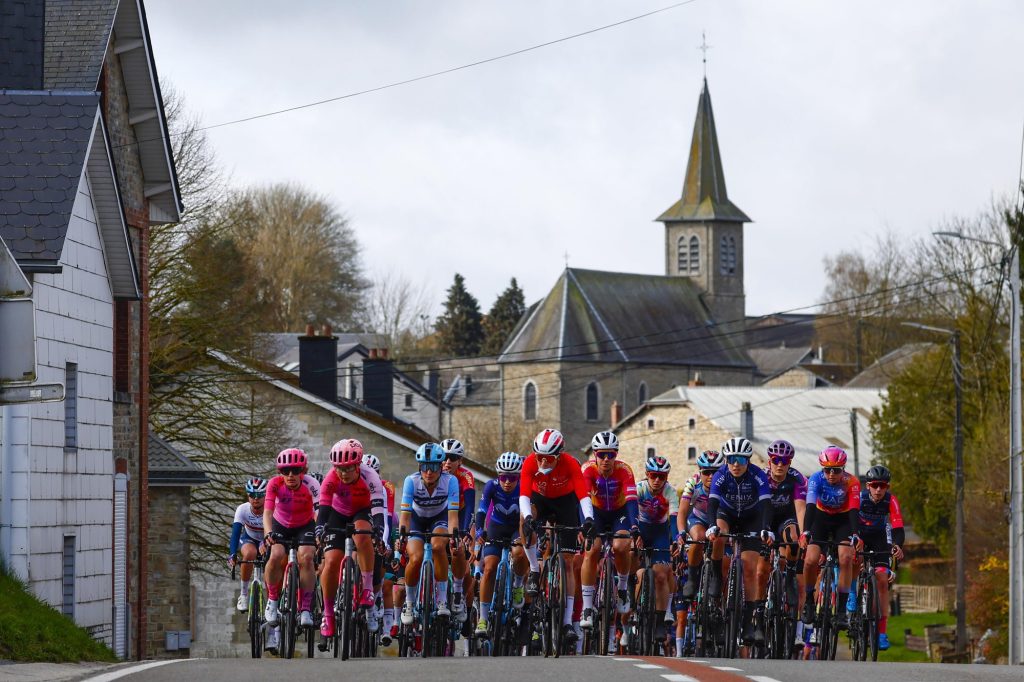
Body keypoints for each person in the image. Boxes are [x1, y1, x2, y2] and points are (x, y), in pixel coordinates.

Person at [519, 428, 594, 646]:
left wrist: (588, 519)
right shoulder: (531, 463)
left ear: (559, 455)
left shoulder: (571, 463)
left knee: (568, 563)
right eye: (539, 457)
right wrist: (527, 519)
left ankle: (567, 621)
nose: (542, 462)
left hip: (565, 504)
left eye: (548, 458)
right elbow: (523, 495)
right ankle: (534, 569)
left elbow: (582, 495)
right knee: (524, 522)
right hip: (539, 500)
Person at [316, 439, 386, 645]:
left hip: (362, 511)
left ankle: (366, 588)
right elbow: (324, 510)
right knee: (331, 561)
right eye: (339, 468)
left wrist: (379, 529)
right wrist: (320, 529)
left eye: (348, 468)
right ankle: (328, 614)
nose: (343, 473)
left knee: (364, 535)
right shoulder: (330, 478)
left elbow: (378, 508)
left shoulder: (370, 476)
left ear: (357, 465)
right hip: (337, 513)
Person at [705, 437, 774, 645]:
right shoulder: (720, 474)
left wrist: (766, 529)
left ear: (748, 461)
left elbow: (767, 505)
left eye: (741, 460)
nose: (736, 464)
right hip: (726, 514)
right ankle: (716, 576)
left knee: (750, 568)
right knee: (718, 535)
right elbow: (712, 503)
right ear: (726, 459)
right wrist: (710, 526)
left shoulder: (758, 475)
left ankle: (747, 623)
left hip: (751, 519)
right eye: (732, 459)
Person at [580, 430, 638, 629]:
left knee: (621, 546)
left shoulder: (624, 470)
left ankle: (622, 588)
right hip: (595, 512)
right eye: (601, 455)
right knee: (592, 550)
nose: (606, 459)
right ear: (594, 454)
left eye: (611, 454)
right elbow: (584, 498)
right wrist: (585, 524)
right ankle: (587, 607)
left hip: (618, 513)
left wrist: (634, 525)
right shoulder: (587, 470)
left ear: (616, 455)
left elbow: (631, 500)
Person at [799, 445, 861, 633]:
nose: (831, 474)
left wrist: (856, 534)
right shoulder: (816, 479)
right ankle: (809, 600)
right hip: (820, 518)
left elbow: (853, 511)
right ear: (822, 469)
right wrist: (806, 532)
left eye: (836, 470)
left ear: (843, 469)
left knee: (846, 558)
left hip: (843, 520)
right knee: (810, 560)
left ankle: (841, 610)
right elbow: (809, 507)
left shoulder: (852, 482)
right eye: (827, 470)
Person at [399, 442, 461, 624]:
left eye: (434, 466)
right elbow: (405, 516)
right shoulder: (411, 481)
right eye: (425, 467)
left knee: (438, 546)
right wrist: (403, 536)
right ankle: (409, 603)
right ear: (420, 467)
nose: (429, 472)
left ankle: (442, 600)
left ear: (441, 466)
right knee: (416, 557)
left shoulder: (450, 481)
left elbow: (452, 517)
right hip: (417, 519)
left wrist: (454, 537)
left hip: (439, 518)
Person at [756, 439, 808, 646]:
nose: (780, 464)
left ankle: (790, 577)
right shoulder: (761, 477)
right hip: (764, 520)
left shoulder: (797, 479)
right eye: (776, 460)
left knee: (794, 537)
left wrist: (805, 534)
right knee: (761, 571)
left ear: (790, 462)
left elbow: (801, 508)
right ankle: (758, 613)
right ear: (769, 460)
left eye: (785, 461)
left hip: (786, 520)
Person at [847, 464, 905, 651]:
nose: (879, 489)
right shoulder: (860, 498)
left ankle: (881, 633)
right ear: (868, 486)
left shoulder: (890, 500)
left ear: (887, 487)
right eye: (875, 485)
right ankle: (852, 594)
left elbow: (897, 526)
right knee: (854, 560)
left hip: (880, 537)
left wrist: (897, 546)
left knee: (881, 581)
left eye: (883, 486)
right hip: (861, 534)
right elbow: (851, 519)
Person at [263, 448, 319, 630]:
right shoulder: (274, 484)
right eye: (285, 471)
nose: (290, 475)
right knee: (276, 554)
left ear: (303, 471)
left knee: (307, 557)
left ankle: (305, 609)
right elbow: (268, 512)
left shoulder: (311, 484)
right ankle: (272, 599)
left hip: (305, 525)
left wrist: (319, 533)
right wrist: (268, 533)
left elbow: (319, 511)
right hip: (281, 524)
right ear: (280, 472)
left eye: (296, 470)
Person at [475, 451, 529, 635]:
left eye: (512, 477)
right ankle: (482, 619)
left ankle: (518, 586)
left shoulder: (523, 487)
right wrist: (480, 530)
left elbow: (527, 514)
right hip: (496, 527)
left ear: (518, 477)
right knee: (489, 568)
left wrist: (525, 535)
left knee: (520, 553)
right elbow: (482, 509)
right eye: (504, 477)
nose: (507, 481)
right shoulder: (491, 486)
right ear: (499, 475)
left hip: (516, 527)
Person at [674, 449, 722, 656]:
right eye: (706, 472)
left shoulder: (725, 482)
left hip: (720, 519)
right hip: (699, 519)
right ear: (700, 472)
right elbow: (683, 512)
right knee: (699, 538)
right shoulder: (692, 482)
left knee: (722, 545)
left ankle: (720, 587)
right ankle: (692, 578)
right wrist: (681, 532)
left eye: (714, 472)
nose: (710, 476)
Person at [633, 455, 678, 642]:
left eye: (662, 476)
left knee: (661, 574)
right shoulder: (639, 489)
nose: (657, 480)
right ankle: (635, 608)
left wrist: (676, 539)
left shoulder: (670, 492)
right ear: (646, 475)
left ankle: (660, 622)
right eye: (653, 476)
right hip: (641, 529)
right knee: (637, 571)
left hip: (660, 532)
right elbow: (630, 513)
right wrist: (635, 533)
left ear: (666, 477)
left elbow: (674, 519)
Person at [363, 452, 400, 645]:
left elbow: (386, 517)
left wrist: (384, 543)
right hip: (362, 524)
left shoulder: (386, 488)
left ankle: (387, 626)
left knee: (386, 582)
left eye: (375, 473)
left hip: (386, 524)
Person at [440, 438, 475, 622]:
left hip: (460, 515)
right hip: (439, 516)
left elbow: (470, 507)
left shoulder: (466, 476)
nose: (447, 462)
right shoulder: (434, 473)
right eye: (444, 457)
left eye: (452, 458)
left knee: (462, 561)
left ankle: (461, 598)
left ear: (460, 461)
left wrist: (463, 532)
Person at [229, 477, 268, 612]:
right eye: (252, 495)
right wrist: (232, 554)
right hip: (249, 538)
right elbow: (235, 533)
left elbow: (276, 530)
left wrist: (266, 542)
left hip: (267, 539)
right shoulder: (242, 509)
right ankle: (244, 594)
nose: (255, 498)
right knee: (250, 553)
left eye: (259, 495)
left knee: (272, 560)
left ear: (266, 495)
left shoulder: (271, 508)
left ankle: (272, 599)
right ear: (248, 496)